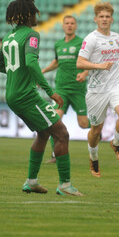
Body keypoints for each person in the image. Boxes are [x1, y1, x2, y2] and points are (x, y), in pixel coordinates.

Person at [0, 0, 82, 196]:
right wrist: (51, 92)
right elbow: (32, 63)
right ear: (27, 15)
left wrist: (17, 75)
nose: (37, 15)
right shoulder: (31, 35)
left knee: (43, 133)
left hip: (12, 94)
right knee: (62, 134)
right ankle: (65, 185)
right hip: (26, 95)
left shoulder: (9, 37)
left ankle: (31, 182)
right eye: (34, 12)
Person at [77, 2, 119, 177]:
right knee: (96, 130)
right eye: (101, 17)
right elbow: (80, 62)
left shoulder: (116, 37)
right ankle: (93, 157)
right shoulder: (91, 39)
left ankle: (116, 143)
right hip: (97, 91)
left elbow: (116, 58)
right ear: (95, 19)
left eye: (107, 17)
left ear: (111, 19)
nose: (104, 19)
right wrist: (98, 66)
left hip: (115, 86)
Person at [41, 15, 89, 163]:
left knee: (83, 124)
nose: (69, 25)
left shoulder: (82, 43)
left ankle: (98, 127)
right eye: (67, 23)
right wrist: (41, 72)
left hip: (77, 89)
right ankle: (55, 154)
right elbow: (56, 62)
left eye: (72, 23)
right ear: (63, 26)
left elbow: (88, 62)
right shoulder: (58, 44)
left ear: (76, 26)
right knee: (53, 120)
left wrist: (85, 73)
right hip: (61, 89)